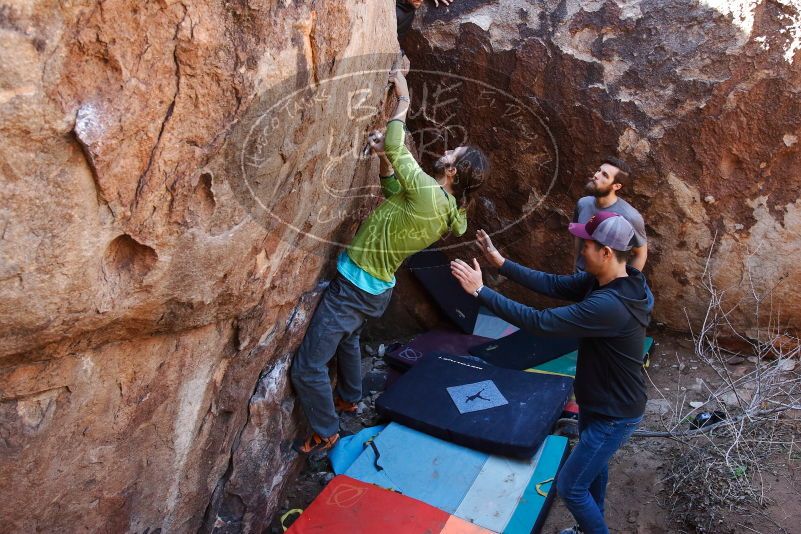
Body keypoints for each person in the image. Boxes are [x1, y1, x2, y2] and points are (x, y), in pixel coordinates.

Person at [291, 69, 489, 455]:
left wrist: (404, 99)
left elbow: (397, 144)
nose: (446, 151)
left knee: (308, 366)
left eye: (453, 153)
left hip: (356, 285)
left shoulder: (431, 193)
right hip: (376, 289)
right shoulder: (444, 208)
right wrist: (383, 160)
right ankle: (350, 397)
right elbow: (394, 191)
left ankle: (326, 429)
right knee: (349, 337)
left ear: (452, 171)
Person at [449, 212, 653, 534]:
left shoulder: (610, 305)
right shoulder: (612, 279)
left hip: (614, 413)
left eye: (586, 245)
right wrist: (501, 262)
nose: (580, 250)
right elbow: (553, 284)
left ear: (606, 252)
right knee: (592, 471)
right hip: (599, 401)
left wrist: (481, 292)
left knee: (570, 487)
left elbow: (540, 322)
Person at [573, 157, 647, 272]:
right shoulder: (583, 203)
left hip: (606, 281)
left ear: (616, 186)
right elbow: (579, 238)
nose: (596, 175)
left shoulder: (630, 217)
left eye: (605, 175)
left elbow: (641, 254)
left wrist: (626, 282)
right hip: (579, 277)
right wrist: (575, 269)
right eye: (598, 170)